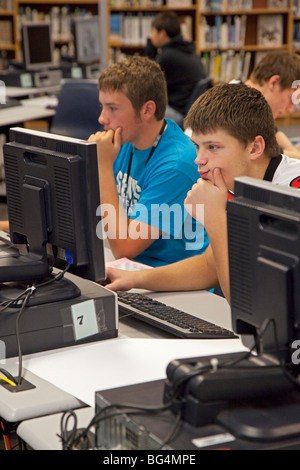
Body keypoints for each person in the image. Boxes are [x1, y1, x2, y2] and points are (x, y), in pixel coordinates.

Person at [104, 83, 300, 304]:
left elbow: (249, 303)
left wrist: (215, 216)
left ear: (255, 148)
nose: (198, 159)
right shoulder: (234, 183)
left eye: (213, 147)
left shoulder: (290, 196)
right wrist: (134, 279)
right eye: (197, 146)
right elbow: (209, 267)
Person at [88, 56, 208, 268]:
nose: (102, 118)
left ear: (147, 110)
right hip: (133, 267)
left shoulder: (177, 164)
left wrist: (102, 166)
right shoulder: (124, 139)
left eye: (112, 108)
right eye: (101, 106)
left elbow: (124, 249)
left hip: (172, 280)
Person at [145, 11, 206, 125]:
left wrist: (150, 51)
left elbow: (148, 82)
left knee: (143, 112)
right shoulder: (188, 48)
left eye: (153, 31)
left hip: (178, 111)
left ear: (162, 34)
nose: (150, 36)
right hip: (189, 108)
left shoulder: (168, 56)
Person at [237, 50, 300, 159]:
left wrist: (291, 150)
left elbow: (275, 133)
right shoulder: (241, 109)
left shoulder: (250, 98)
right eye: (291, 98)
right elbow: (275, 155)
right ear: (274, 82)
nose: (290, 109)